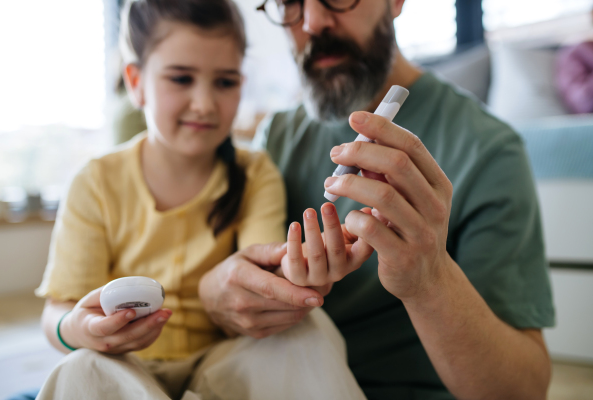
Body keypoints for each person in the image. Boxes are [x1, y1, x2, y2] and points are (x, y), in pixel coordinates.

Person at [199, 0, 556, 399]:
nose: (314, 21)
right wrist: (216, 296)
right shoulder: (278, 137)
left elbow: (523, 391)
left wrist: (428, 279)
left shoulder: (489, 151)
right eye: (289, 3)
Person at [34, 1, 369, 399]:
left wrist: (296, 275)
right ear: (137, 82)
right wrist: (77, 329)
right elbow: (59, 311)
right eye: (181, 79)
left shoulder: (255, 173)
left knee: (307, 333)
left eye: (225, 82)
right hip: (125, 371)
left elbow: (258, 279)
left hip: (225, 369)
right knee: (80, 368)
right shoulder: (94, 183)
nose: (205, 104)